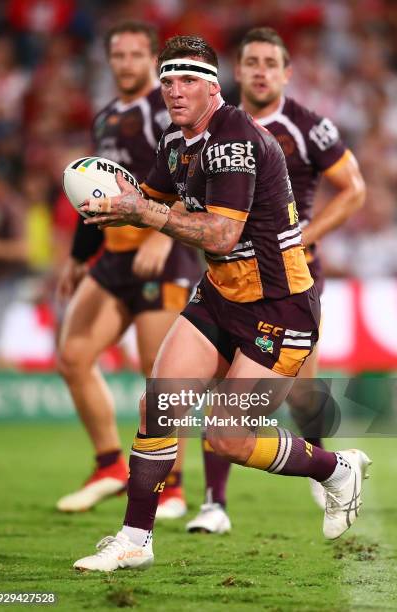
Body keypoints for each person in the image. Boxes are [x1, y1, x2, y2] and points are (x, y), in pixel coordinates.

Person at [73, 35, 371, 573]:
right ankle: (135, 538)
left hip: (278, 306)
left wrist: (146, 216)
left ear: (213, 85)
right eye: (167, 80)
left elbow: (219, 235)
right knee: (158, 404)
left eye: (187, 79)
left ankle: (335, 468)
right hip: (221, 295)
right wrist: (112, 204)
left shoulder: (233, 138)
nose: (174, 90)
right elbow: (152, 200)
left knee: (227, 437)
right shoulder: (175, 140)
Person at [185, 27, 367, 534]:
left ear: (287, 73)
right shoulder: (208, 130)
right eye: (252, 61)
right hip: (229, 275)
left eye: (271, 62)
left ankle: (325, 463)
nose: (261, 70)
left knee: (301, 393)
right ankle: (213, 503)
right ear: (236, 71)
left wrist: (310, 233)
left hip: (292, 277)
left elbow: (353, 189)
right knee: (221, 387)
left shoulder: (309, 127)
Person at [56, 22, 201, 514]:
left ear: (151, 61)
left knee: (160, 375)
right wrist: (78, 258)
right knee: (73, 356)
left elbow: (189, 178)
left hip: (163, 254)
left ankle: (173, 486)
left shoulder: (165, 114)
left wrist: (164, 233)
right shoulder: (105, 118)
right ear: (108, 60)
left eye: (136, 55)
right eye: (117, 54)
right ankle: (109, 465)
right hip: (113, 256)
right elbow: (95, 190)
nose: (126, 63)